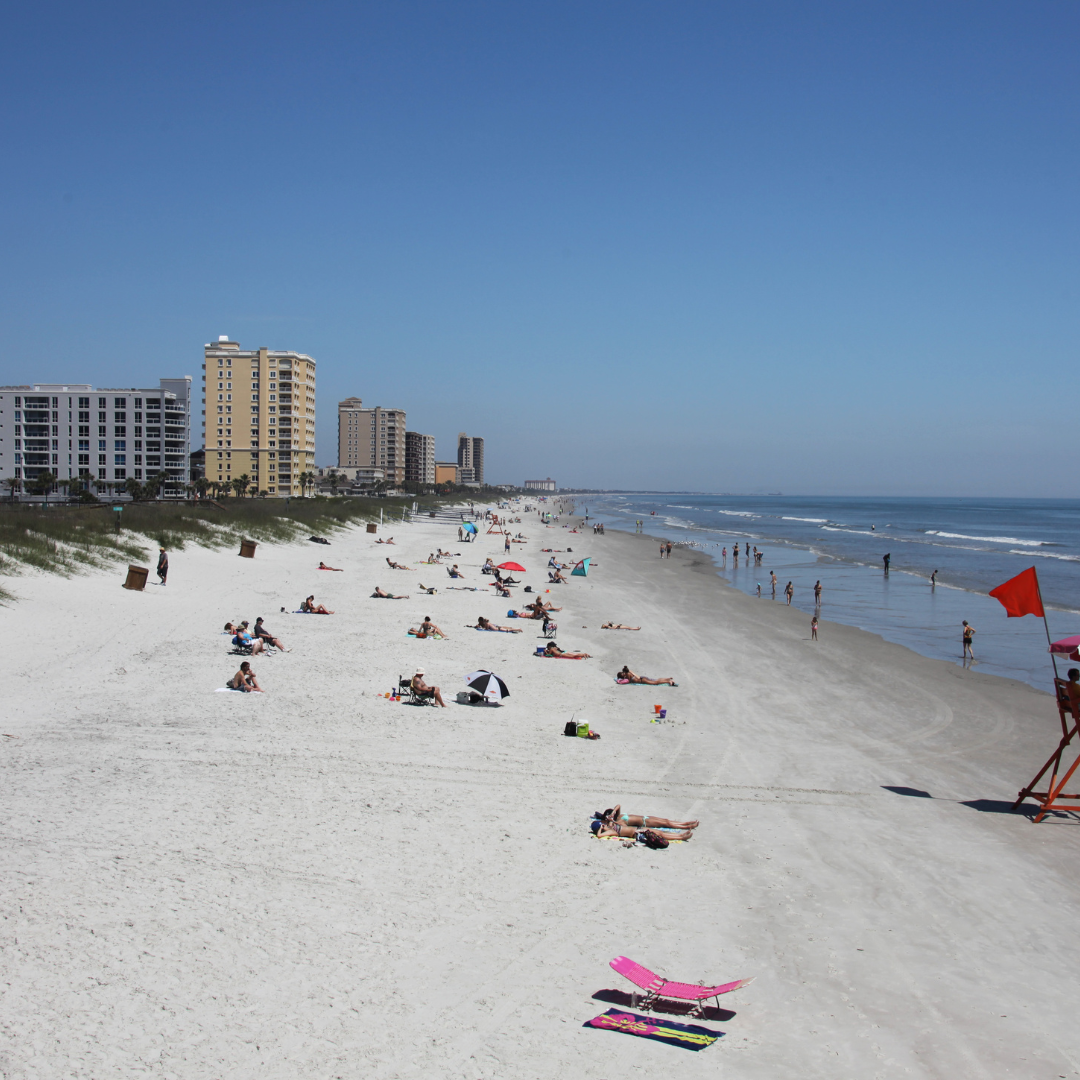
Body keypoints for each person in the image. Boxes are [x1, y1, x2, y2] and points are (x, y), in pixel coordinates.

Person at [598, 805, 699, 830]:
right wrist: (612, 822)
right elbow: (619, 827)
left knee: (666, 820)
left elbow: (618, 805)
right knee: (666, 824)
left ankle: (686, 823)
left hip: (646, 817)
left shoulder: (619, 816)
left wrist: (613, 812)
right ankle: (687, 826)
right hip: (645, 823)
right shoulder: (619, 823)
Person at [590, 819, 694, 842]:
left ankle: (681, 836)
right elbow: (599, 836)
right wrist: (600, 829)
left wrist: (610, 820)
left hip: (639, 829)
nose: (605, 825)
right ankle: (681, 837)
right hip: (638, 833)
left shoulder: (611, 826)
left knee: (660, 833)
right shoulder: (611, 831)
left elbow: (617, 809)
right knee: (661, 835)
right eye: (603, 825)